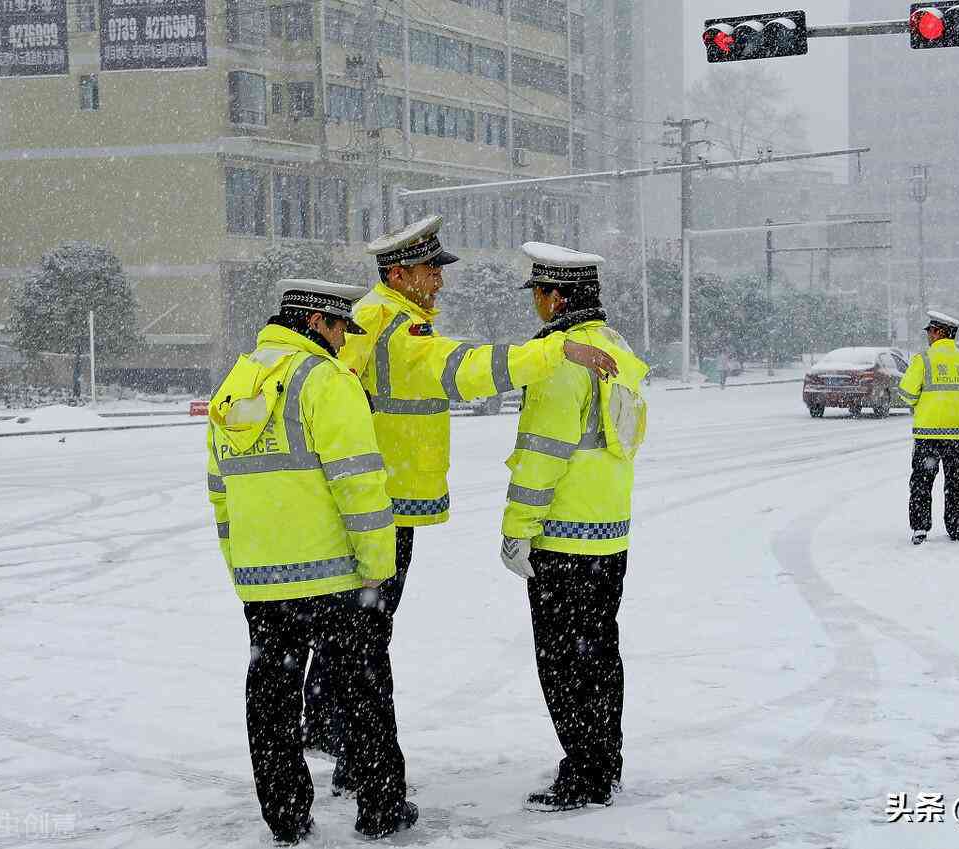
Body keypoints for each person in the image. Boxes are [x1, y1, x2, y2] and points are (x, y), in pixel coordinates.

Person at [303, 216, 618, 792]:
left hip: (380, 502)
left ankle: (335, 734)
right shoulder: (389, 323)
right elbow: (460, 370)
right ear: (399, 273)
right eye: (430, 270)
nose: (440, 283)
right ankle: (357, 758)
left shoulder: (383, 319)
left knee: (358, 631)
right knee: (366, 635)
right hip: (376, 506)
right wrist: (550, 353)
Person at [205, 280, 417, 843]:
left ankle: (286, 817)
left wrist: (242, 569)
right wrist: (378, 564)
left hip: (264, 581)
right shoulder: (325, 381)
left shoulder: (235, 384)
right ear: (319, 321)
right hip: (334, 575)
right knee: (363, 691)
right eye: (342, 330)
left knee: (271, 700)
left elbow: (220, 493)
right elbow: (360, 483)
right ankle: (381, 808)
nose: (345, 342)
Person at [500, 242, 649, 812]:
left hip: (561, 535)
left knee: (562, 660)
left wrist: (517, 528)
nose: (536, 305)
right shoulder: (618, 350)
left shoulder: (559, 358)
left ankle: (584, 772)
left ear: (554, 296)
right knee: (599, 652)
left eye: (538, 293)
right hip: (610, 530)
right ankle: (602, 759)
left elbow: (542, 453)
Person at [897, 310, 959, 546]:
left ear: (939, 333)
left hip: (928, 435)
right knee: (957, 484)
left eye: (930, 331)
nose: (928, 335)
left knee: (922, 483)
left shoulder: (922, 360)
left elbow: (905, 395)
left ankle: (920, 528)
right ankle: (957, 527)